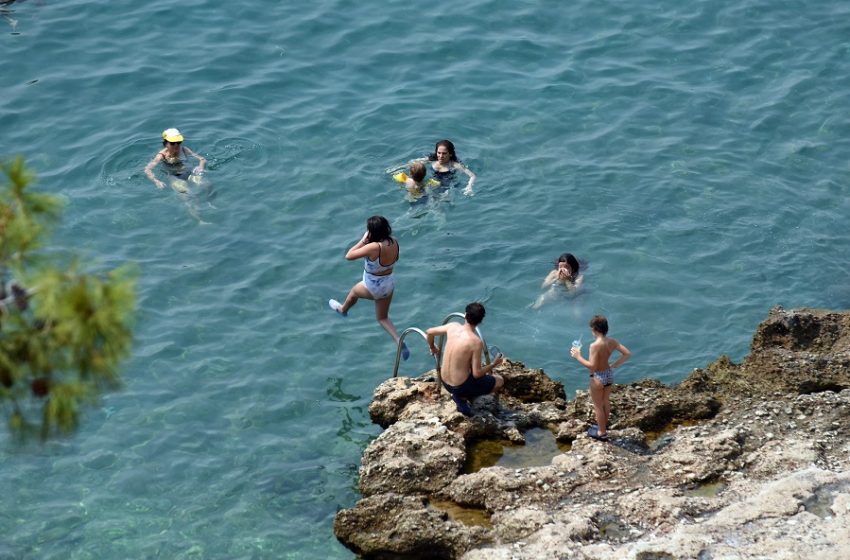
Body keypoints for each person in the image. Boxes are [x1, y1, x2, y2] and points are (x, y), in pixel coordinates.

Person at [329, 216, 409, 359]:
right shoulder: (394, 242)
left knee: (354, 292)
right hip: (388, 284)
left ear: (372, 232)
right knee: (383, 317)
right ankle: (398, 340)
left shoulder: (373, 247)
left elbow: (349, 256)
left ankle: (343, 310)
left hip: (373, 286)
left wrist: (363, 240)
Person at [426, 302, 504, 416]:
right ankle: (461, 398)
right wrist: (493, 363)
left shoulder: (452, 326)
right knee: (499, 380)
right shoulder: (476, 342)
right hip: (459, 387)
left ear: (465, 314)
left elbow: (429, 332)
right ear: (480, 321)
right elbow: (477, 374)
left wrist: (432, 347)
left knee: (467, 367)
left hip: (444, 382)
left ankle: (459, 395)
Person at [570, 315, 631, 441]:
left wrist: (578, 356)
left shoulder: (594, 346)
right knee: (605, 402)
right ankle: (602, 427)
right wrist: (615, 365)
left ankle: (601, 432)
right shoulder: (612, 341)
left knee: (597, 405)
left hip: (597, 377)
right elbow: (627, 353)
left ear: (594, 329)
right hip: (608, 374)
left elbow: (592, 366)